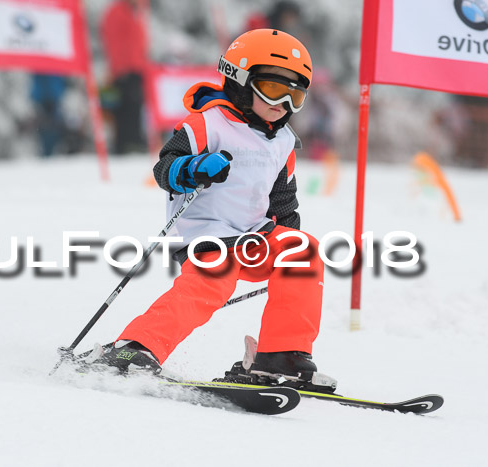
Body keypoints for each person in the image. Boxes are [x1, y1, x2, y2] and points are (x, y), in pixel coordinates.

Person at [93, 29, 328, 386]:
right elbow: (164, 169)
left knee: (303, 249)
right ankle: (135, 347)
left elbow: (282, 201)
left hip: (254, 236)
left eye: (296, 95)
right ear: (241, 79)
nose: (285, 104)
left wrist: (289, 253)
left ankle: (281, 356)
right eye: (275, 89)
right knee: (208, 287)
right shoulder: (205, 124)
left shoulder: (282, 141)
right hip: (207, 236)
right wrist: (192, 168)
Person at [99, 0, 147, 155]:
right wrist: (121, 66)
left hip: (135, 68)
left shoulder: (133, 11)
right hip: (123, 69)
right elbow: (115, 42)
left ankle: (132, 142)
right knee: (124, 109)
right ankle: (125, 144)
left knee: (134, 108)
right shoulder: (118, 11)